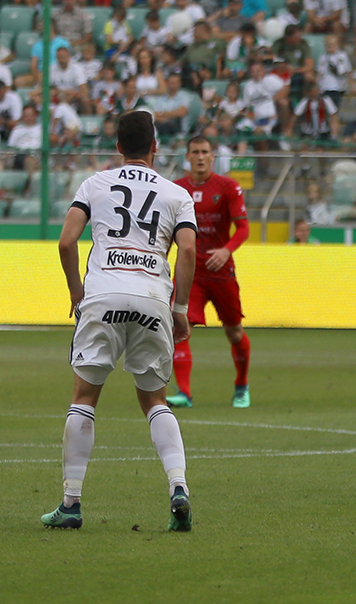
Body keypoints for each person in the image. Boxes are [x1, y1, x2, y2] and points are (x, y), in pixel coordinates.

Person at [44, 110, 196, 532]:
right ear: (155, 147)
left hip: (103, 295)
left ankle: (71, 504)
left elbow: (67, 241)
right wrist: (180, 308)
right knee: (155, 400)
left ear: (117, 147)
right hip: (152, 299)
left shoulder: (95, 184)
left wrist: (77, 292)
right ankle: (178, 488)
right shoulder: (177, 194)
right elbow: (187, 250)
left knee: (84, 397)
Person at [168, 135, 252, 409]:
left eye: (205, 152)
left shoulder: (227, 187)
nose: (200, 157)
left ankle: (241, 385)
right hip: (190, 274)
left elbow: (243, 228)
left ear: (212, 156)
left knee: (234, 332)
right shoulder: (176, 189)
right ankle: (184, 393)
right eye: (195, 152)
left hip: (221, 272)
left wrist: (226, 250)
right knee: (180, 327)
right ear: (187, 157)